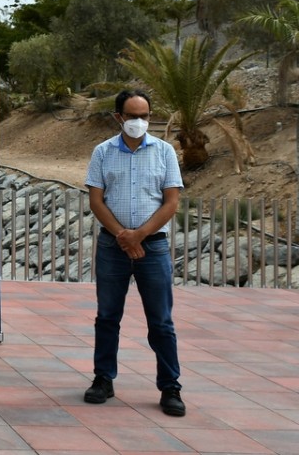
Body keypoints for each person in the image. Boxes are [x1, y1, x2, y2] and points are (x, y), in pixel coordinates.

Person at [84, 89, 186, 417]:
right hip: (112, 247)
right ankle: (103, 379)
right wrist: (123, 236)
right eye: (133, 116)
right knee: (107, 317)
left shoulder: (164, 152)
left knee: (161, 321)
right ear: (119, 117)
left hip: (152, 247)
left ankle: (170, 386)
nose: (139, 122)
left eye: (145, 116)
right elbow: (96, 200)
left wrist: (139, 235)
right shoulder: (102, 152)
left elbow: (171, 202)